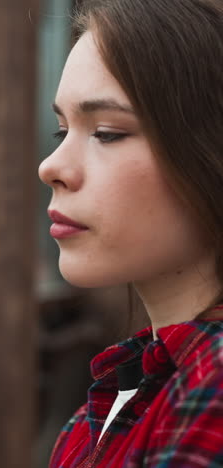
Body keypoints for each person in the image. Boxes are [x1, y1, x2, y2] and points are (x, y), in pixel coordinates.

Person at [38, 0, 223, 466]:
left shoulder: (213, 386)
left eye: (105, 132)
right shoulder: (103, 405)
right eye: (62, 131)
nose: (51, 167)